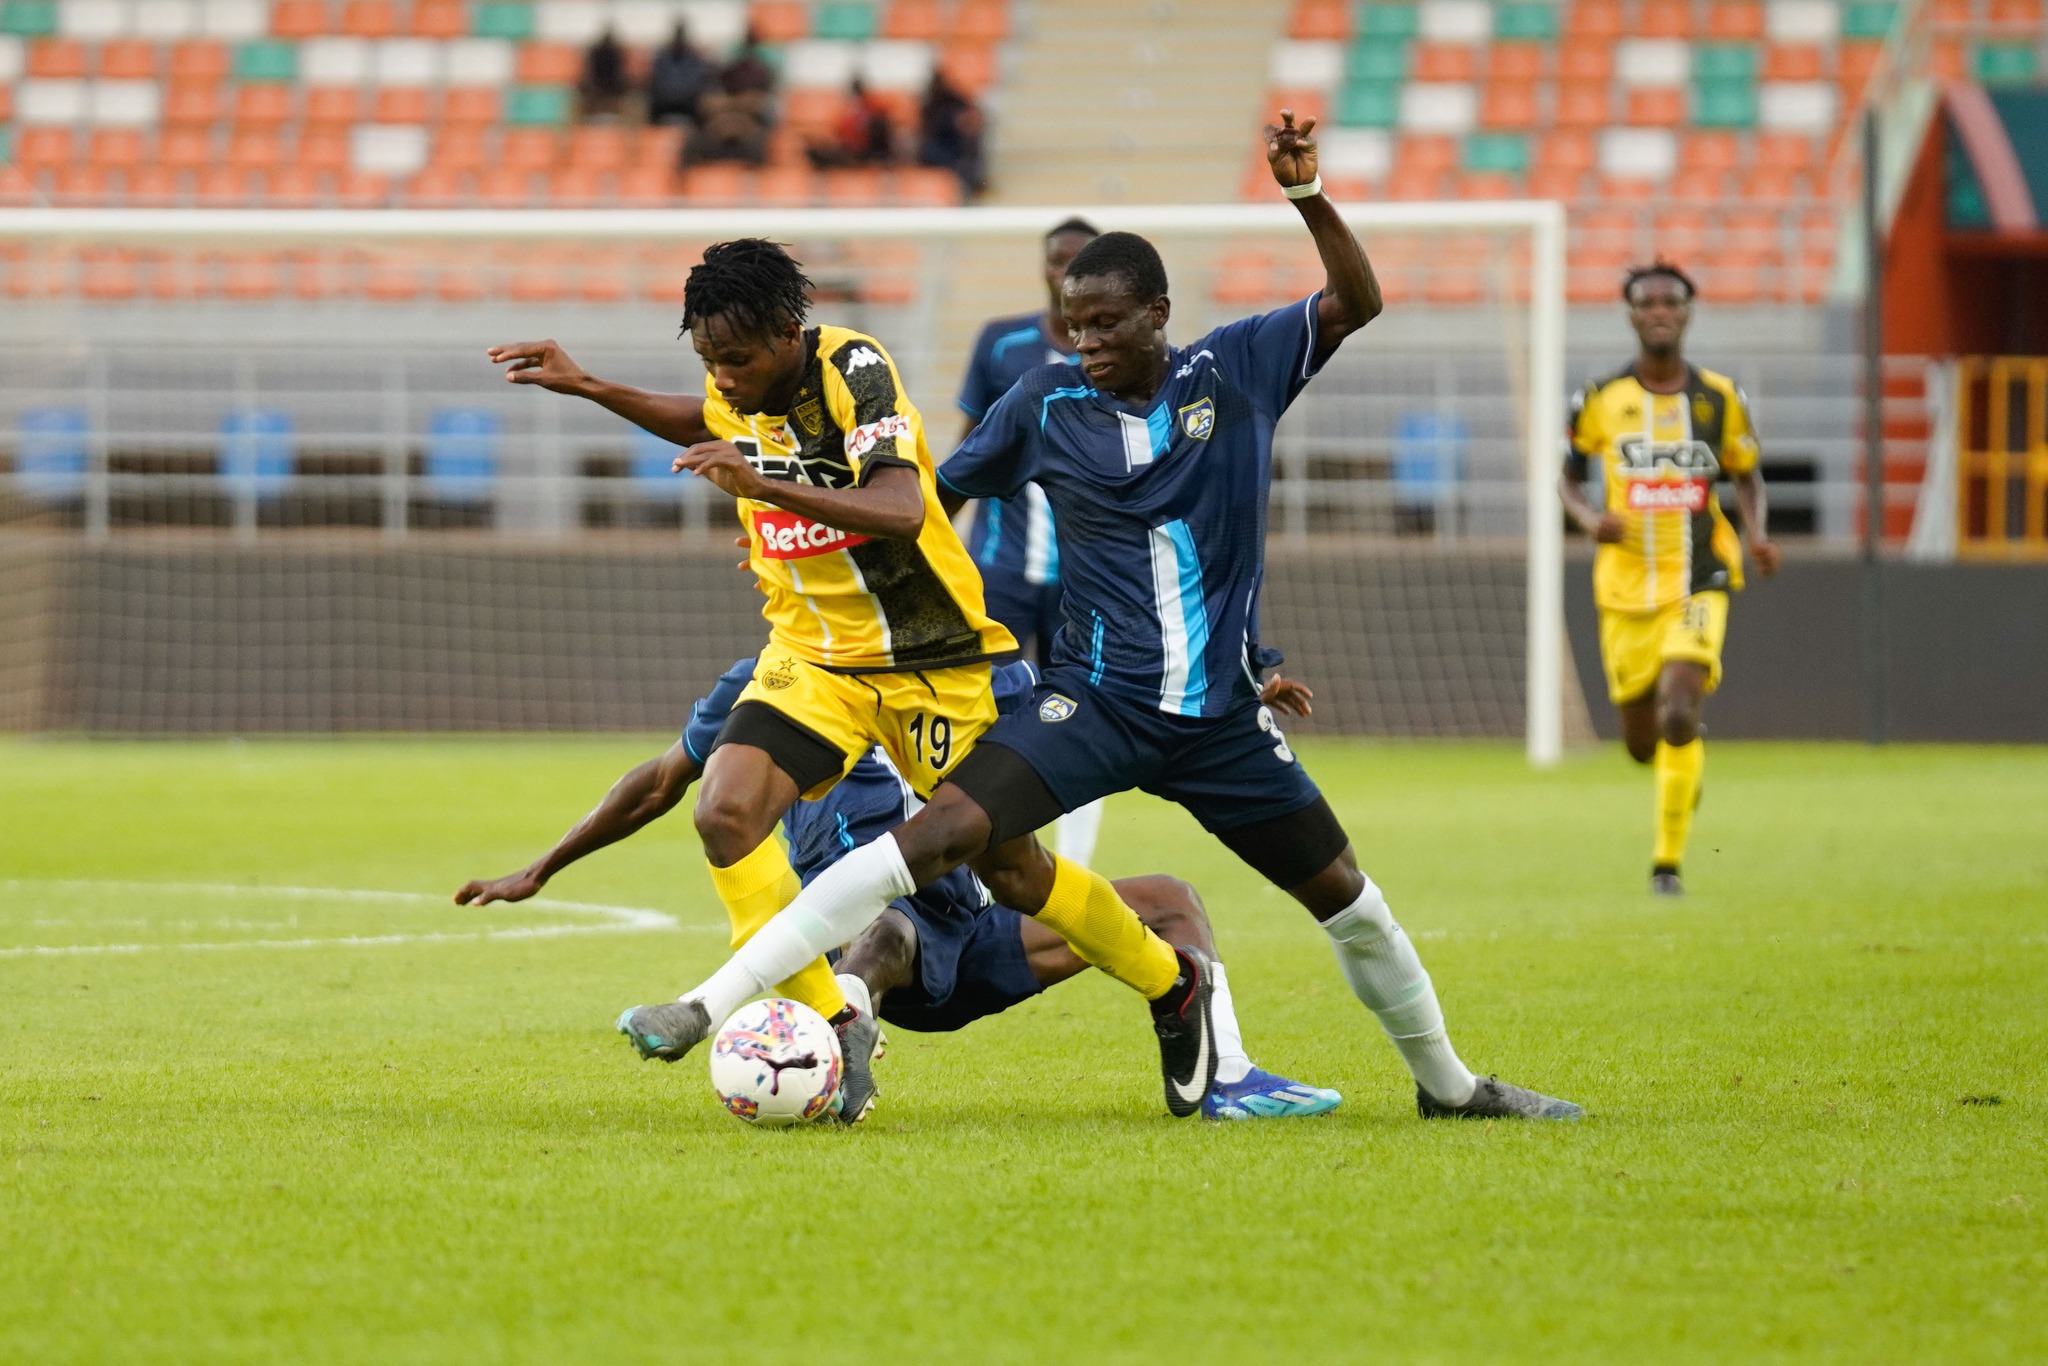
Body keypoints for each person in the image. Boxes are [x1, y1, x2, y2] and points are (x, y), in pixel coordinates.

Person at [638, 112, 1585, 1123]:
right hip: (1090, 703)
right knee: (939, 837)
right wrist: (814, 551)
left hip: (1218, 717)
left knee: (1350, 902)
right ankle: (712, 1002)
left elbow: (1356, 299)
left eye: (1102, 323)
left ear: (1156, 315)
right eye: (1071, 321)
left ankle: (1447, 1086)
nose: (1081, 342)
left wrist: (1305, 194)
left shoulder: (1236, 368)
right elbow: (931, 503)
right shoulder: (1040, 402)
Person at [486, 240, 1210, 1125]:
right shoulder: (739, 383)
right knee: (726, 812)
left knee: (1013, 871)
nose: (726, 379)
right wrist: (595, 386)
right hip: (815, 656)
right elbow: (706, 417)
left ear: (789, 334)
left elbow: (904, 508)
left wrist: (760, 481)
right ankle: (833, 1026)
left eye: (739, 360)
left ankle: (1171, 987)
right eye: (711, 361)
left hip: (933, 659)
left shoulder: (854, 369)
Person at [454, 656, 1342, 1124]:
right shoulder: (772, 685)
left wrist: (1226, 693)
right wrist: (543, 867)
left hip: (983, 931)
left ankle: (1223, 1074)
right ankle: (849, 1018)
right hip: (875, 938)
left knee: (1170, 900)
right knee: (880, 923)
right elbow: (660, 782)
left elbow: (1105, 716)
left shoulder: (983, 673)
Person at [1558, 261, 1780, 897]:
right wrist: (1587, 517)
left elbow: (1746, 473)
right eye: (1646, 301)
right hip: (1625, 590)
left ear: (1688, 311)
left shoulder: (1719, 397)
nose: (1659, 310)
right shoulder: (1599, 398)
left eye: (1671, 301)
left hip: (1699, 578)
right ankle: (1684, 760)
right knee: (1640, 744)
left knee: (1679, 710)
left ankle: (1666, 865)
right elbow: (1567, 479)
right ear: (1630, 315)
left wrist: (1757, 534)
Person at [955, 216, 1105, 866]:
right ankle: (999, 848)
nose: (1063, 271)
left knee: (1084, 711)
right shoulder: (1002, 342)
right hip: (999, 567)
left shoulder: (1116, 354)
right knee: (995, 707)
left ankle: (1074, 864)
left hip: (1085, 575)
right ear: (1043, 266)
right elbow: (967, 451)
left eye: (1078, 261)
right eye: (1056, 259)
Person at [917, 72, 984, 197]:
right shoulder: (935, 107)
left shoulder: (955, 105)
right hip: (941, 152)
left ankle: (971, 182)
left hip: (952, 151)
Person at [806, 78, 896, 169]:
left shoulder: (874, 111)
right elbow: (841, 135)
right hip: (849, 152)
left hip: (867, 154)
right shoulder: (849, 112)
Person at [647, 23, 714, 127]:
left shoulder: (694, 59)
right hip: (662, 103)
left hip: (689, 103)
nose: (679, 40)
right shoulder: (661, 58)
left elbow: (696, 82)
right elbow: (655, 81)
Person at [579, 26, 630, 121]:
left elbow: (621, 77)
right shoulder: (595, 54)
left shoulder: (618, 55)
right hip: (595, 89)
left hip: (614, 89)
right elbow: (588, 75)